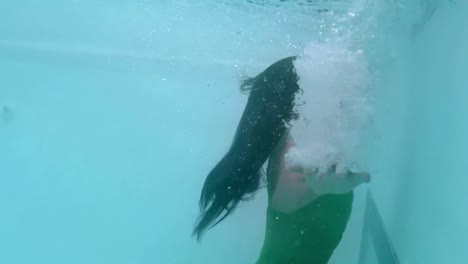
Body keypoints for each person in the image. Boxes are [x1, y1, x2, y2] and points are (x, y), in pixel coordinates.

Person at [193, 56, 370, 263]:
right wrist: (317, 184)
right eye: (338, 93)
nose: (345, 102)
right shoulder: (299, 154)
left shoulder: (302, 144)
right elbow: (297, 183)